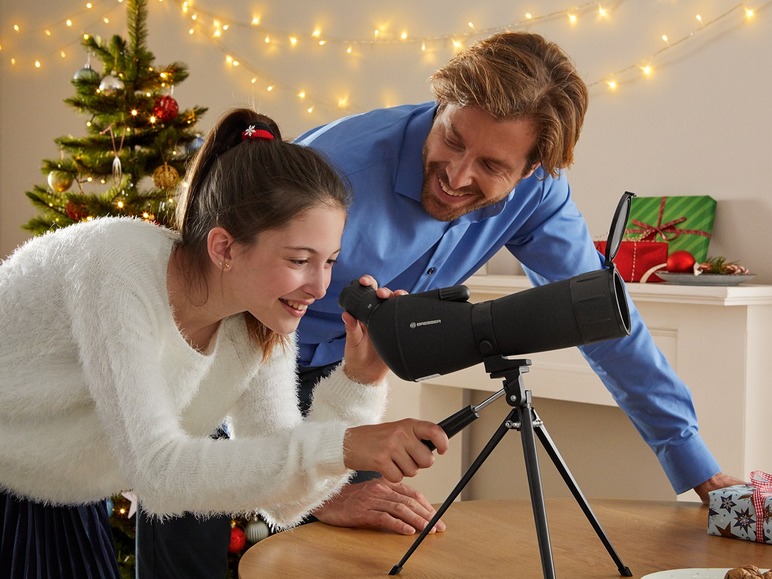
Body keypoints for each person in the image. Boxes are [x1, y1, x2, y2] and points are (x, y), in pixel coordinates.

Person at [291, 30, 744, 534]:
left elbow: (598, 316)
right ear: (442, 103)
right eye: (453, 140)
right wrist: (307, 493)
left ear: (533, 169)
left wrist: (697, 464)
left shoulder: (538, 194)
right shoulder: (333, 170)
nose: (457, 176)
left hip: (346, 386)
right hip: (234, 365)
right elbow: (225, 314)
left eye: (490, 166)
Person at [0, 108, 448, 578]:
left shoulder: (257, 324)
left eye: (330, 261)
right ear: (223, 248)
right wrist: (344, 446)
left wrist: (359, 382)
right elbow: (158, 473)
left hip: (58, 497)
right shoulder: (114, 267)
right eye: (299, 260)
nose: (319, 287)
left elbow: (286, 504)